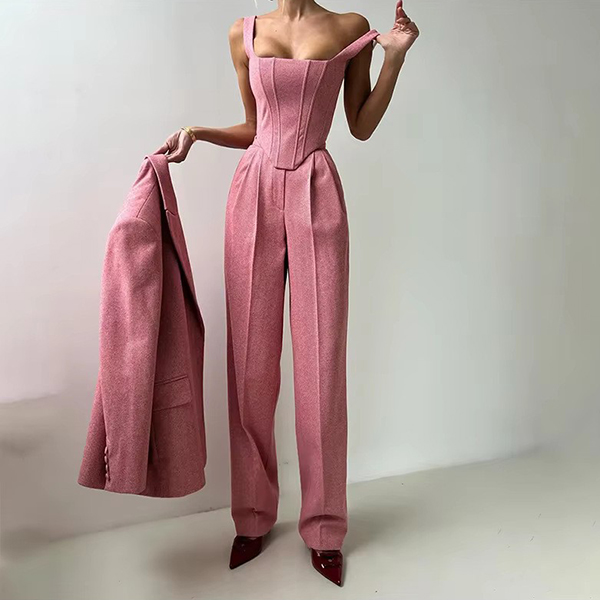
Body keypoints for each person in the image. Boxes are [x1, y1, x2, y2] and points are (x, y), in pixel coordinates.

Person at [155, 0, 419, 586]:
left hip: (317, 190)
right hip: (252, 193)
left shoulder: (350, 27)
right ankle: (252, 516)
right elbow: (253, 127)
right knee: (250, 366)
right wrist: (196, 133)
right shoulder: (243, 32)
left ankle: (325, 527)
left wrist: (394, 60)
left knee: (321, 368)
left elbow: (360, 124)